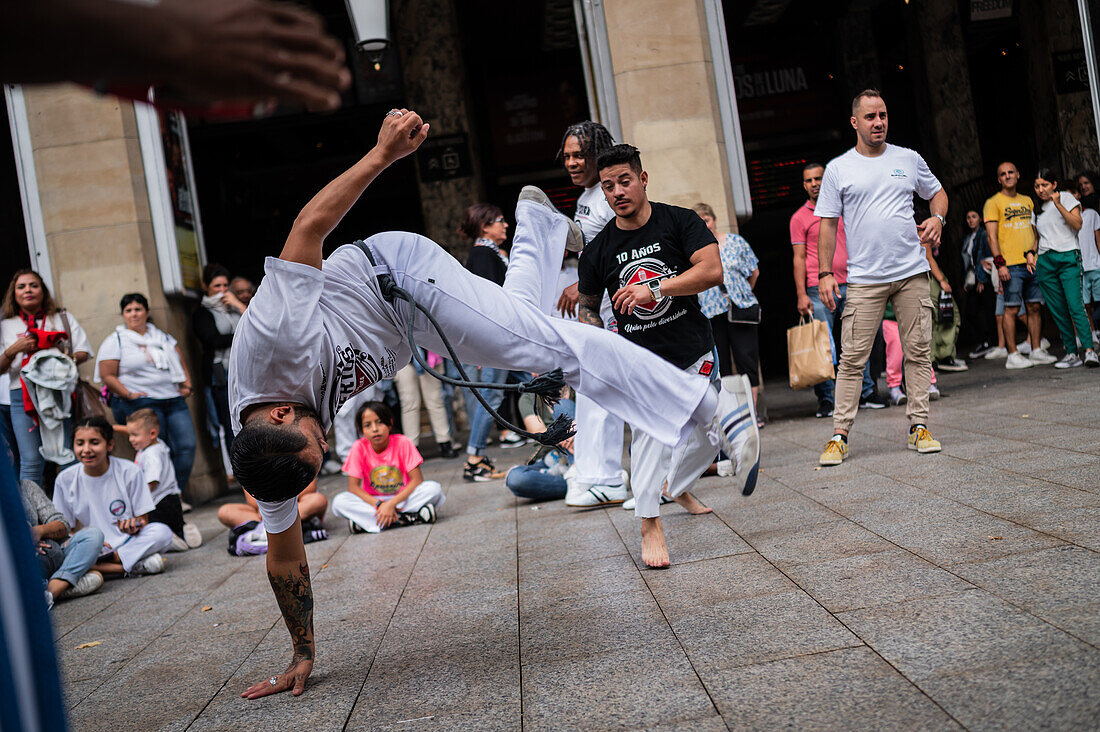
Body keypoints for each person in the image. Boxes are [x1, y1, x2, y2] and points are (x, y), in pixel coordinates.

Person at [226, 110, 754, 699]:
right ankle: (538, 223)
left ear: (278, 413)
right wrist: (302, 653)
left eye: (315, 439)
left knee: (550, 345)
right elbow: (284, 557)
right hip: (406, 328)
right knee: (523, 329)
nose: (327, 442)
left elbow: (307, 229)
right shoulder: (267, 458)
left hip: (397, 278)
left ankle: (706, 408)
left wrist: (383, 155)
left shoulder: (271, 339)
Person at [577, 142, 760, 568]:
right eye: (608, 186)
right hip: (640, 363)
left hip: (693, 351)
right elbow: (587, 305)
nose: (618, 192)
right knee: (648, 440)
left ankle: (678, 484)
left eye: (625, 181)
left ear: (642, 179)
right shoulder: (599, 249)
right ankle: (649, 526)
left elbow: (711, 271)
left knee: (705, 437)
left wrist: (654, 289)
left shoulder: (680, 221)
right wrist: (596, 336)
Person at [816, 89, 947, 467]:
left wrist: (938, 218)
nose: (879, 123)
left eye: (884, 115)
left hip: (911, 273)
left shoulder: (908, 158)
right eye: (871, 117)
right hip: (865, 279)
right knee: (853, 359)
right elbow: (827, 226)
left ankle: (919, 425)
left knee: (919, 351)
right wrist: (825, 273)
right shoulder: (839, 169)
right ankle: (839, 434)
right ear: (855, 122)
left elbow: (937, 193)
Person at [556, 121, 630, 507]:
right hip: (595, 310)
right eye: (567, 156)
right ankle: (593, 470)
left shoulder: (606, 198)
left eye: (578, 155)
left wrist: (582, 287)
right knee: (591, 388)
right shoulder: (590, 195)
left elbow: (614, 252)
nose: (571, 162)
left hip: (613, 309)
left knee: (605, 390)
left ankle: (607, 476)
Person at [789, 163, 882, 417]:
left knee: (857, 340)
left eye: (818, 178)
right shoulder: (799, 218)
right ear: (804, 185)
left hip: (852, 283)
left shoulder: (843, 209)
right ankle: (828, 400)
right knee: (823, 345)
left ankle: (866, 394)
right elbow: (798, 258)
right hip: (816, 288)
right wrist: (801, 294)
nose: (815, 183)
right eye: (809, 180)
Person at [95, 292, 197, 493]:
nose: (134, 314)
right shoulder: (116, 339)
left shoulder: (163, 337)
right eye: (129, 310)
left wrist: (187, 385)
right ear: (123, 314)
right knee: (157, 450)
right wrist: (128, 394)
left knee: (187, 445)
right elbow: (107, 374)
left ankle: (175, 492)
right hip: (143, 404)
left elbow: (180, 361)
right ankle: (162, 496)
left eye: (138, 309)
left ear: (147, 312)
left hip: (173, 400)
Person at [0, 269, 92, 484]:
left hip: (60, 393)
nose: (28, 290)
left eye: (34, 285)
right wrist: (14, 349)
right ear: (13, 294)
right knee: (31, 460)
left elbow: (84, 351)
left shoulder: (61, 318)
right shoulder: (6, 325)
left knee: (67, 453)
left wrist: (62, 356)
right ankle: (32, 517)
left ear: (43, 290)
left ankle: (79, 512)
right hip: (21, 396)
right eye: (21, 287)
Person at [53, 417, 174, 577]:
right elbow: (64, 529)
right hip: (91, 547)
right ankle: (127, 568)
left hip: (125, 543)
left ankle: (101, 565)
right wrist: (88, 543)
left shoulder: (130, 471)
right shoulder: (65, 479)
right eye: (80, 443)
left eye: (95, 442)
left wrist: (134, 524)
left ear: (109, 445)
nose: (86, 449)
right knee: (57, 551)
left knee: (162, 532)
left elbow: (143, 520)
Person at [457, 202, 512, 481]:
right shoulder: (482, 254)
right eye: (500, 220)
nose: (505, 224)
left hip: (498, 337)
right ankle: (475, 458)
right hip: (494, 338)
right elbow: (486, 302)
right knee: (491, 394)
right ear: (484, 227)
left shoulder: (489, 253)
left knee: (500, 392)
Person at [694, 203, 764, 421]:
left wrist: (742, 293)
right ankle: (730, 415)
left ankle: (751, 414)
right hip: (711, 313)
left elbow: (754, 271)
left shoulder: (735, 242)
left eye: (707, 219)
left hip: (739, 308)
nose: (705, 224)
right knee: (720, 363)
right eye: (700, 222)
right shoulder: (693, 249)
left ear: (714, 219)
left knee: (747, 360)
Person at [983, 162, 1056, 369]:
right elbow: (991, 236)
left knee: (1034, 307)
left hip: (1031, 263)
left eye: (1011, 172)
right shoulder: (993, 202)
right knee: (1011, 309)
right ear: (999, 179)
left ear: (1018, 174)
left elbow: (1036, 231)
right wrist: (1000, 265)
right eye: (1003, 174)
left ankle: (1036, 350)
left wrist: (1034, 253)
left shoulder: (1027, 201)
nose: (1007, 176)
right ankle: (1013, 355)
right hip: (1010, 264)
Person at [331, 401, 443, 533]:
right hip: (374, 503)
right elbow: (353, 487)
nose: (374, 429)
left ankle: (371, 522)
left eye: (379, 422)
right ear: (361, 431)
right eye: (367, 425)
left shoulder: (403, 442)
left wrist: (391, 504)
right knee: (339, 502)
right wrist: (380, 504)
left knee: (434, 489)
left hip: (402, 499)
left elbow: (417, 480)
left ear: (389, 423)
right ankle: (408, 517)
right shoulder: (358, 447)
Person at [1031, 168, 1098, 368]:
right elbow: (1036, 239)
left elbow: (1077, 224)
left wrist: (1058, 204)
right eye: (1037, 186)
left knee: (1075, 305)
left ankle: (1089, 350)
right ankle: (1071, 353)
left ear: (1054, 184)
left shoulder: (1067, 198)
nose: (1041, 190)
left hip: (1068, 257)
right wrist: (1030, 254)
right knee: (1058, 309)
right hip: (1045, 260)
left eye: (1044, 185)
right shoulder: (1037, 209)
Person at [125, 409, 203, 550]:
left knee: (154, 527)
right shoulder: (155, 445)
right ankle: (184, 532)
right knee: (175, 523)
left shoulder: (152, 454)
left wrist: (138, 499)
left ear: (153, 433)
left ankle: (172, 540)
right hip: (171, 498)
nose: (131, 439)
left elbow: (152, 481)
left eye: (135, 435)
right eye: (129, 435)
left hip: (160, 501)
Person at [21, 478, 104, 608]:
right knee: (95, 577)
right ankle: (60, 588)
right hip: (20, 565)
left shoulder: (26, 486)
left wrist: (39, 531)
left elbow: (62, 525)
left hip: (51, 553)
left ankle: (48, 593)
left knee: (93, 535)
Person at [193, 265, 245, 456]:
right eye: (217, 286)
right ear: (206, 287)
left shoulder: (234, 308)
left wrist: (239, 306)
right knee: (232, 422)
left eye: (225, 285)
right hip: (222, 373)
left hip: (244, 369)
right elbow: (213, 340)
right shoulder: (202, 313)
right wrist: (241, 335)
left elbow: (256, 325)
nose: (222, 290)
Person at [393, 353, 457, 458]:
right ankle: (412, 447)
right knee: (409, 404)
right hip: (402, 357)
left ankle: (445, 442)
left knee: (435, 401)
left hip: (429, 353)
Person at [960, 209, 1001, 358]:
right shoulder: (968, 237)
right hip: (974, 278)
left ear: (980, 219)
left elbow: (986, 259)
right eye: (968, 217)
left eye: (974, 217)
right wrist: (969, 279)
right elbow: (970, 262)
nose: (970, 220)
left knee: (985, 311)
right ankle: (986, 342)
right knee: (973, 311)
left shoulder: (983, 234)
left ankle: (989, 342)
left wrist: (981, 279)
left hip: (983, 279)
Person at [926, 240, 967, 371]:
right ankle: (943, 356)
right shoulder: (923, 231)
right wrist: (942, 281)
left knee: (933, 318)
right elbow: (928, 257)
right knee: (947, 315)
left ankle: (935, 358)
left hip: (928, 276)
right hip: (931, 278)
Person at [1075, 192, 1100, 338]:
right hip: (1079, 268)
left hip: (1096, 265)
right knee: (1085, 305)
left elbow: (1098, 240)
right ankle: (1092, 333)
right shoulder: (1066, 217)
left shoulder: (1091, 214)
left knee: (1098, 302)